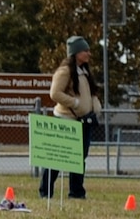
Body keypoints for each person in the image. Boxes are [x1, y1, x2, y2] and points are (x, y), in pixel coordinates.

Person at [40, 35, 99, 200]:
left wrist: (94, 104)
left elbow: (90, 92)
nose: (88, 54)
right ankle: (46, 192)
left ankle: (77, 192)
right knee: (59, 158)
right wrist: (74, 103)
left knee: (79, 159)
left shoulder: (84, 71)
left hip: (83, 121)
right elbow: (55, 93)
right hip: (66, 120)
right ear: (76, 53)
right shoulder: (65, 71)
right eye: (85, 51)